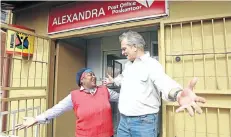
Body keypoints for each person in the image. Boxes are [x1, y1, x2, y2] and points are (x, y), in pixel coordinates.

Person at [103, 30, 206, 137]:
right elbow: (123, 79)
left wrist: (178, 94)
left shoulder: (151, 64)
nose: (123, 53)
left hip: (143, 123)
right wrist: (113, 80)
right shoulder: (128, 66)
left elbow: (164, 82)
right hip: (123, 121)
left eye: (124, 49)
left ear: (134, 47)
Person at [16, 68, 119, 137]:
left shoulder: (105, 90)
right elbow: (57, 109)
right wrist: (36, 119)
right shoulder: (74, 96)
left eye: (94, 75)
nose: (94, 77)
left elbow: (123, 98)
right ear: (82, 80)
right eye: (90, 75)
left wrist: (117, 81)